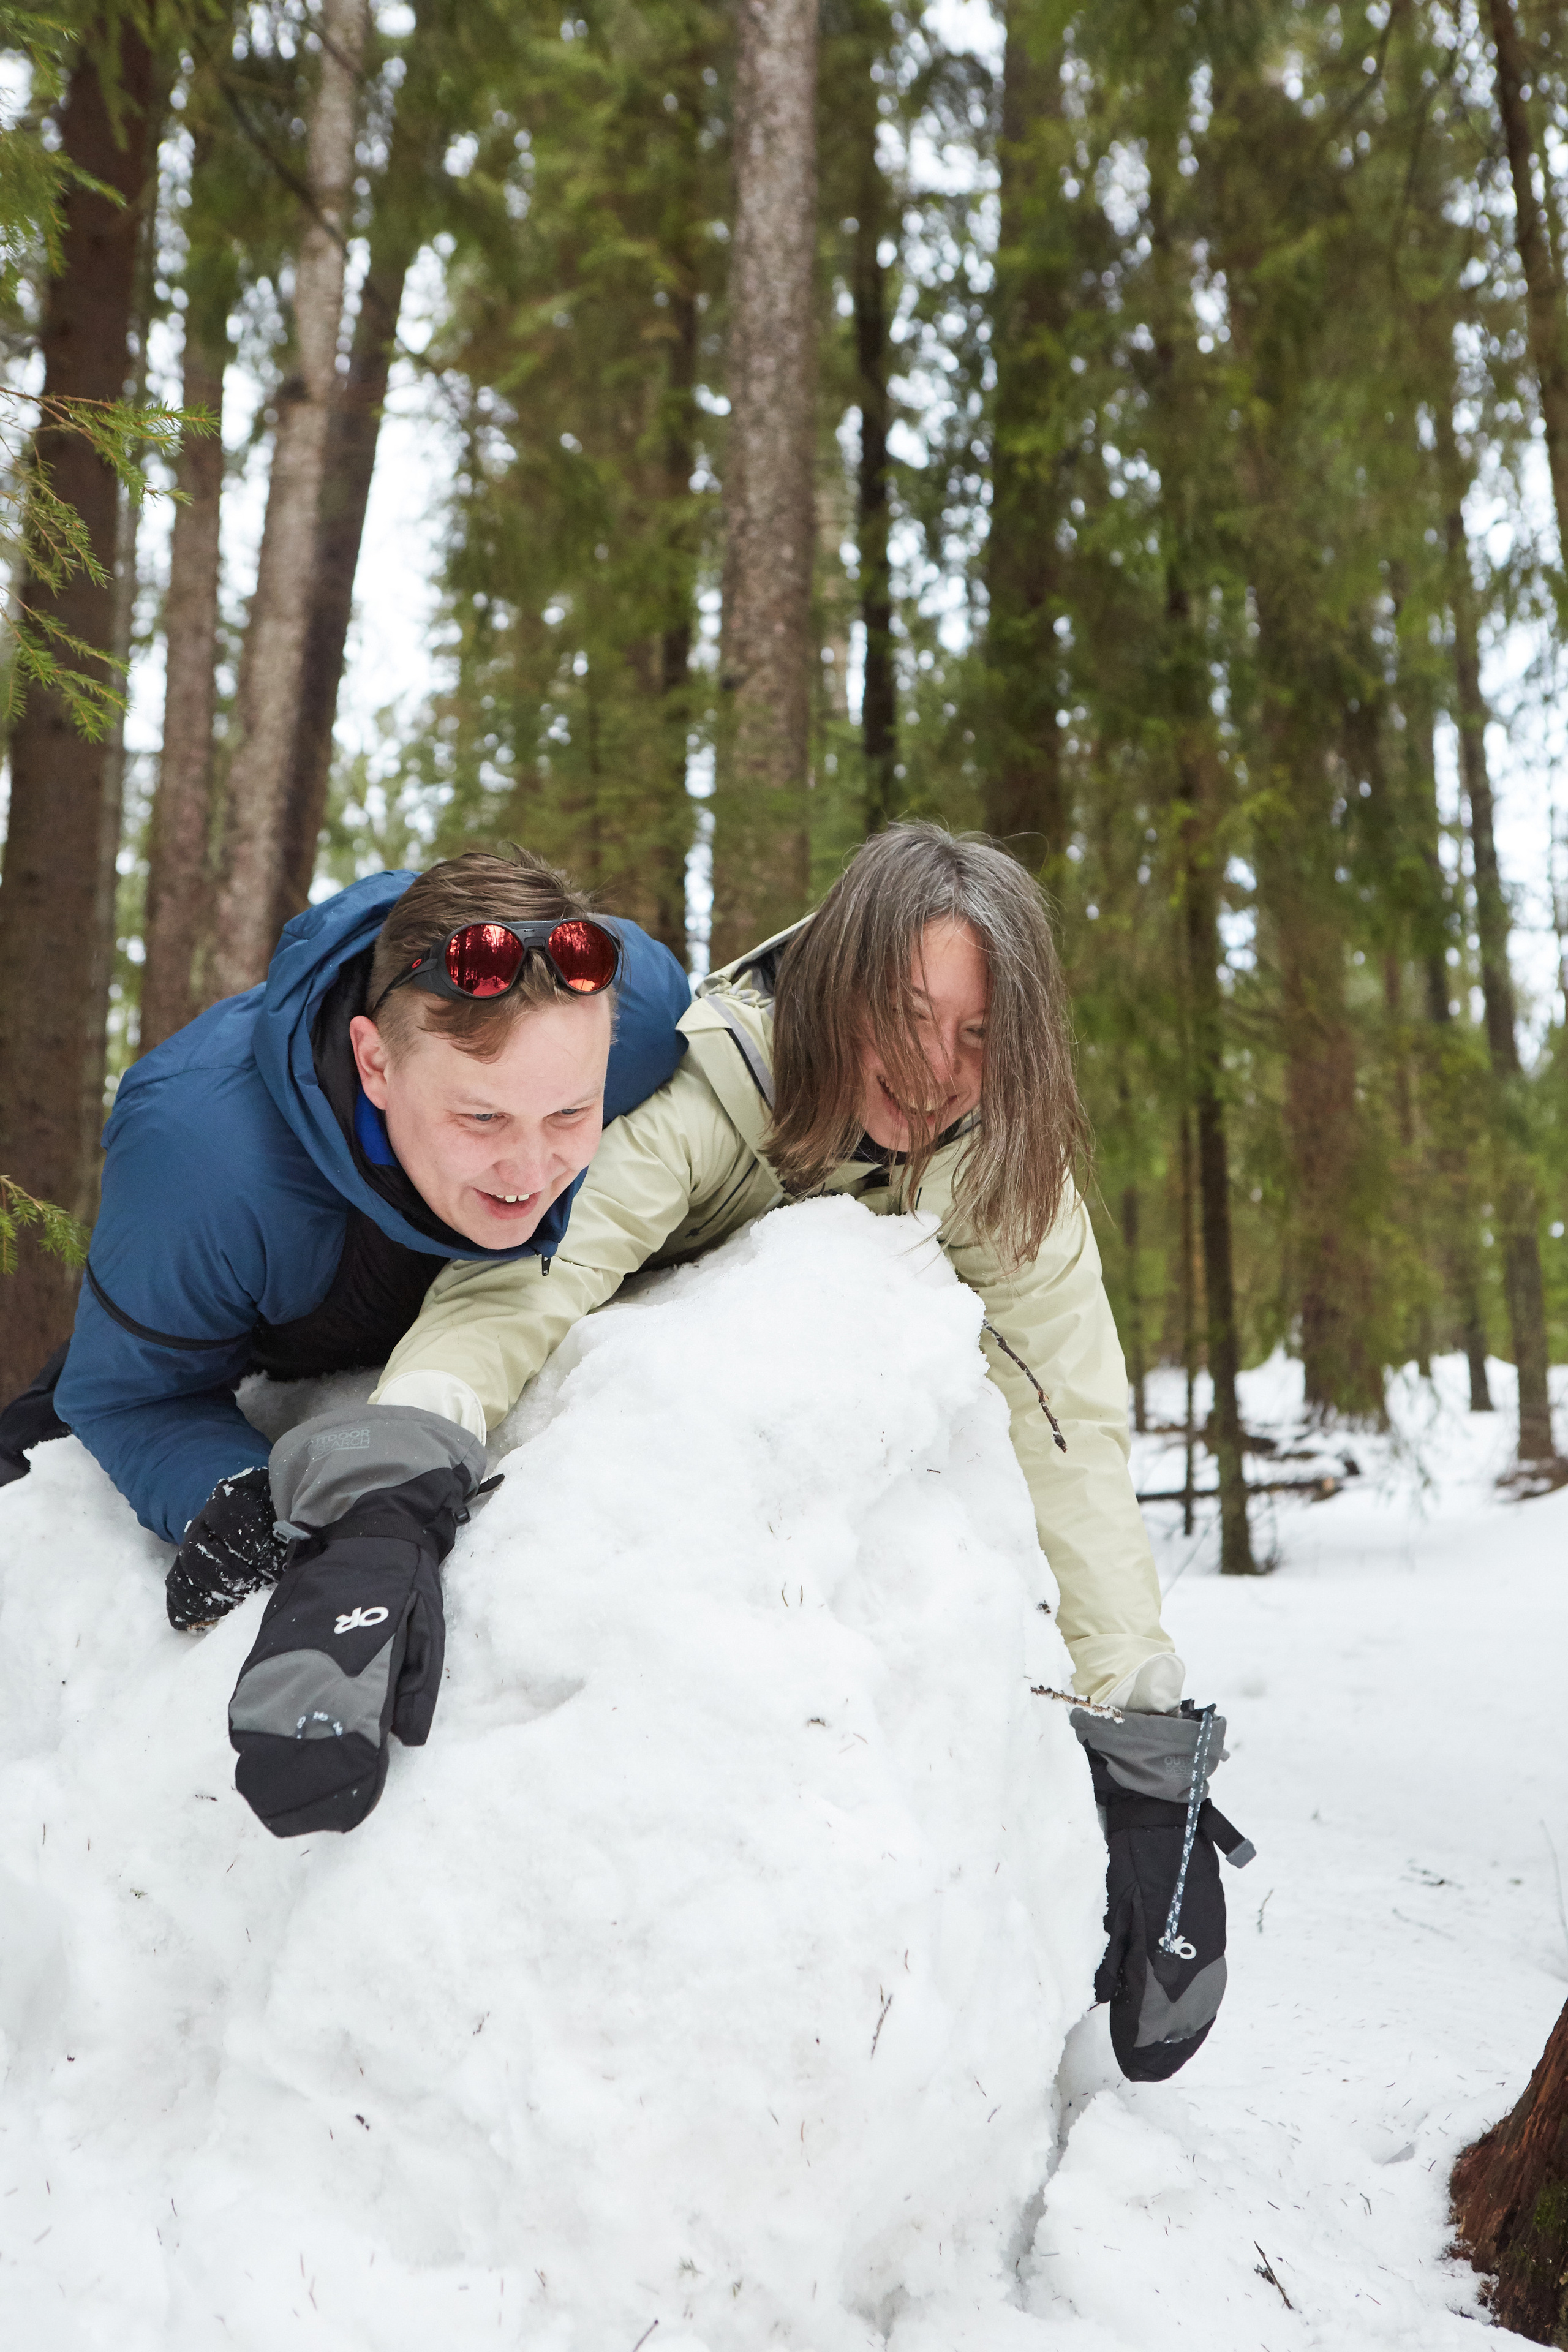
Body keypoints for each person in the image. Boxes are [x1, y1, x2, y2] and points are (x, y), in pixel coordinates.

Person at [351, 823, 1249, 2078]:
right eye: (907, 1011)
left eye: (980, 1036)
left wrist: (1148, 1748)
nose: (939, 1072)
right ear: (838, 984)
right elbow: (534, 1276)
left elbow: (1072, 1432)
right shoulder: (713, 1085)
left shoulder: (1003, 1172)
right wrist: (392, 1485)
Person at [0, 845, 690, 1641]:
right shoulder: (201, 1162)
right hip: (220, 1326)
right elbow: (131, 1393)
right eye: (481, 1118)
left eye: (571, 1115)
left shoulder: (637, 1014)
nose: (532, 1172)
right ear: (376, 1065)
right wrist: (237, 1492)